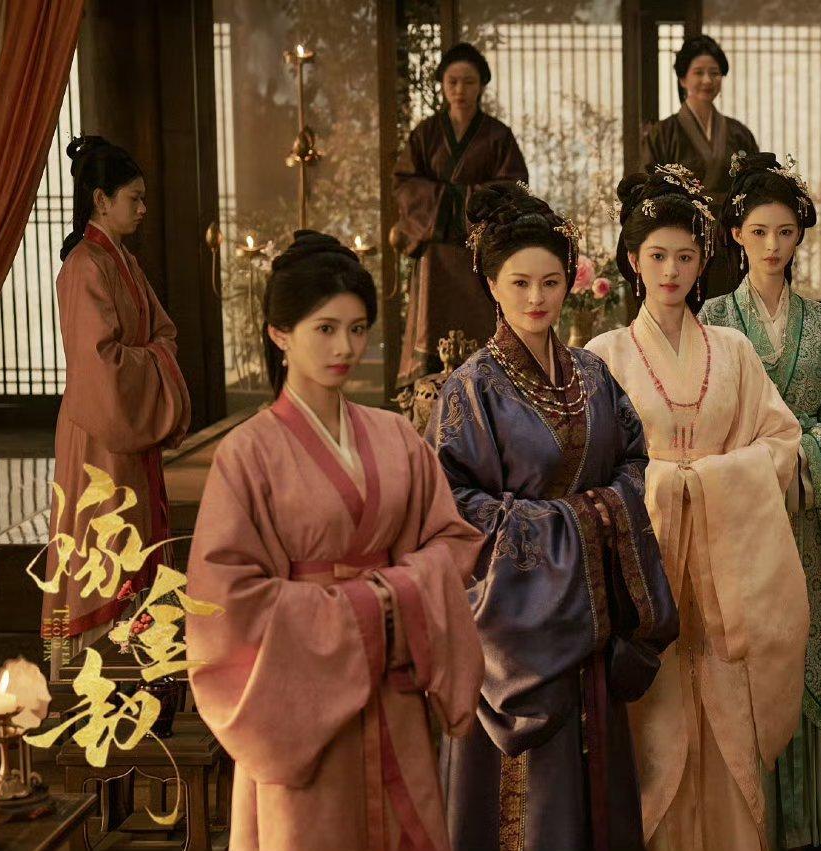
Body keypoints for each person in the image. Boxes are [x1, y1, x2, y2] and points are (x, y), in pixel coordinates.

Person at [189, 231, 484, 850]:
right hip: (300, 706)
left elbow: (450, 541)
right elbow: (225, 598)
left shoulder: (397, 436)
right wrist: (366, 609)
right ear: (279, 334)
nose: (345, 347)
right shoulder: (247, 454)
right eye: (324, 329)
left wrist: (398, 594)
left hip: (394, 692)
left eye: (357, 329)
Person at [434, 184, 678, 850]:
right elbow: (450, 504)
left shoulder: (592, 373)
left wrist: (603, 511)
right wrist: (571, 524)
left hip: (587, 618)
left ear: (569, 282)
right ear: (492, 285)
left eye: (550, 281)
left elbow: (633, 459)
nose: (537, 297)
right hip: (513, 629)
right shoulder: (470, 387)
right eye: (520, 282)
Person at [586, 164, 809, 850]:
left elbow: (781, 439)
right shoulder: (604, 355)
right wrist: (663, 487)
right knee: (651, 722)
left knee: (727, 717)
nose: (671, 271)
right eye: (657, 256)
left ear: (703, 260)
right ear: (633, 260)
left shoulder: (733, 350)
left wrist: (710, 482)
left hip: (725, 572)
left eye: (685, 256)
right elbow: (591, 471)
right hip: (646, 571)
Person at [698, 152, 821, 847]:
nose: (772, 246)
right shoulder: (713, 320)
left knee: (815, 645)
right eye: (758, 232)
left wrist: (800, 459)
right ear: (736, 236)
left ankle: (818, 819)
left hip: (807, 520)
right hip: (743, 527)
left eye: (784, 232)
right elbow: (702, 418)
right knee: (748, 656)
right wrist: (753, 466)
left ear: (800, 234)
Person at [41, 135, 191, 653]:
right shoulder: (83, 266)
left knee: (132, 537)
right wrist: (153, 358)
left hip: (125, 419)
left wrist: (150, 355)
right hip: (100, 428)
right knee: (104, 541)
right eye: (135, 198)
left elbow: (164, 334)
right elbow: (99, 365)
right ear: (101, 200)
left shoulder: (122, 259)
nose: (144, 208)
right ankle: (99, 669)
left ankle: (137, 665)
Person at [394, 42, 529, 380]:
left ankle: (488, 388)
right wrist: (458, 201)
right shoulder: (425, 133)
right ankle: (428, 395)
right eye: (452, 81)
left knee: (481, 325)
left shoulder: (498, 135)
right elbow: (405, 183)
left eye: (468, 82)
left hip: (479, 249)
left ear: (481, 85)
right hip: (436, 252)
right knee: (433, 324)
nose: (460, 90)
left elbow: (513, 186)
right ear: (442, 85)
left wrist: (454, 202)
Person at [645, 34, 758, 305]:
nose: (707, 80)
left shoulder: (739, 133)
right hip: (683, 238)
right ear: (683, 79)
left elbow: (756, 187)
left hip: (730, 240)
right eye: (699, 72)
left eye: (714, 73)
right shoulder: (663, 134)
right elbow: (649, 192)